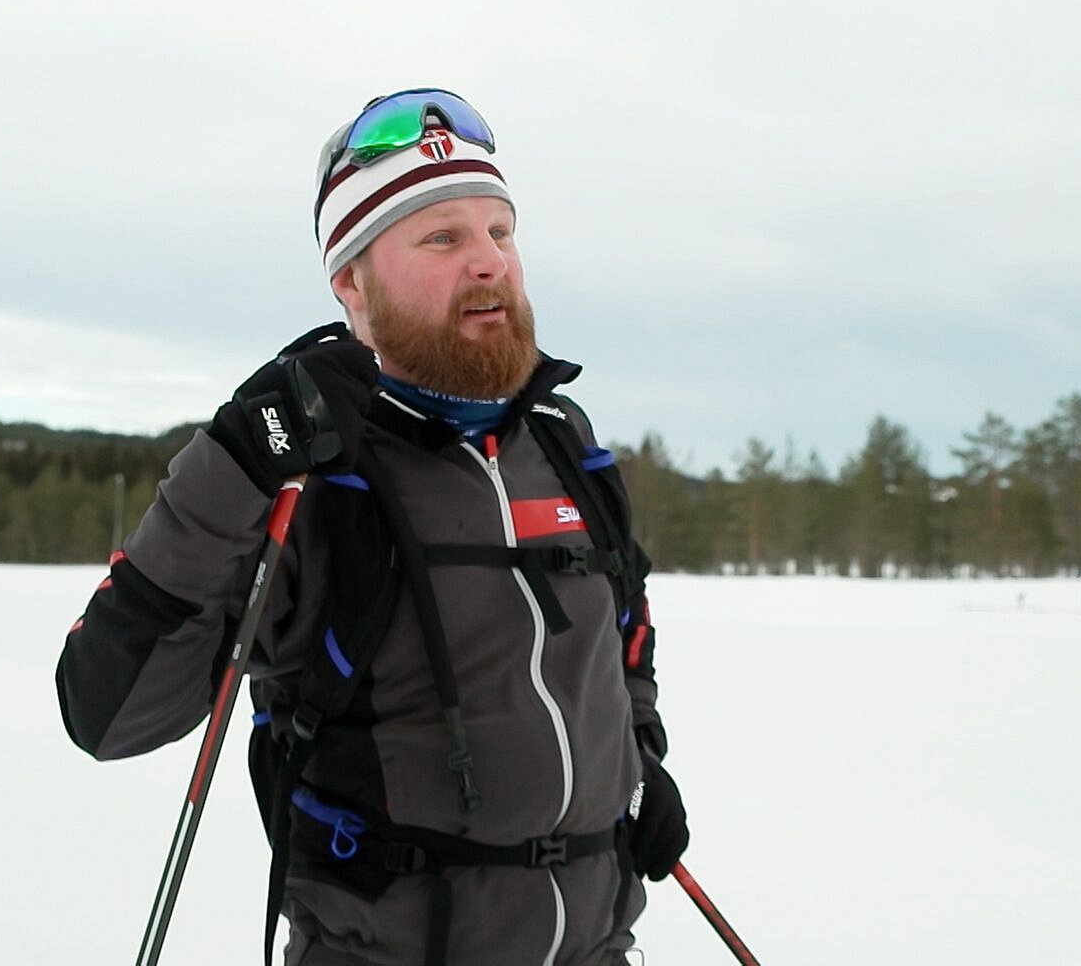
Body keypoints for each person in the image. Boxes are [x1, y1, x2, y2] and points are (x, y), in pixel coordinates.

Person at [56, 88, 688, 965]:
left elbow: (625, 641)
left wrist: (641, 759)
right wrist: (234, 461)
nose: (489, 263)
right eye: (442, 237)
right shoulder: (305, 478)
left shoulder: (564, 445)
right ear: (351, 280)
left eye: (499, 233)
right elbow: (110, 714)